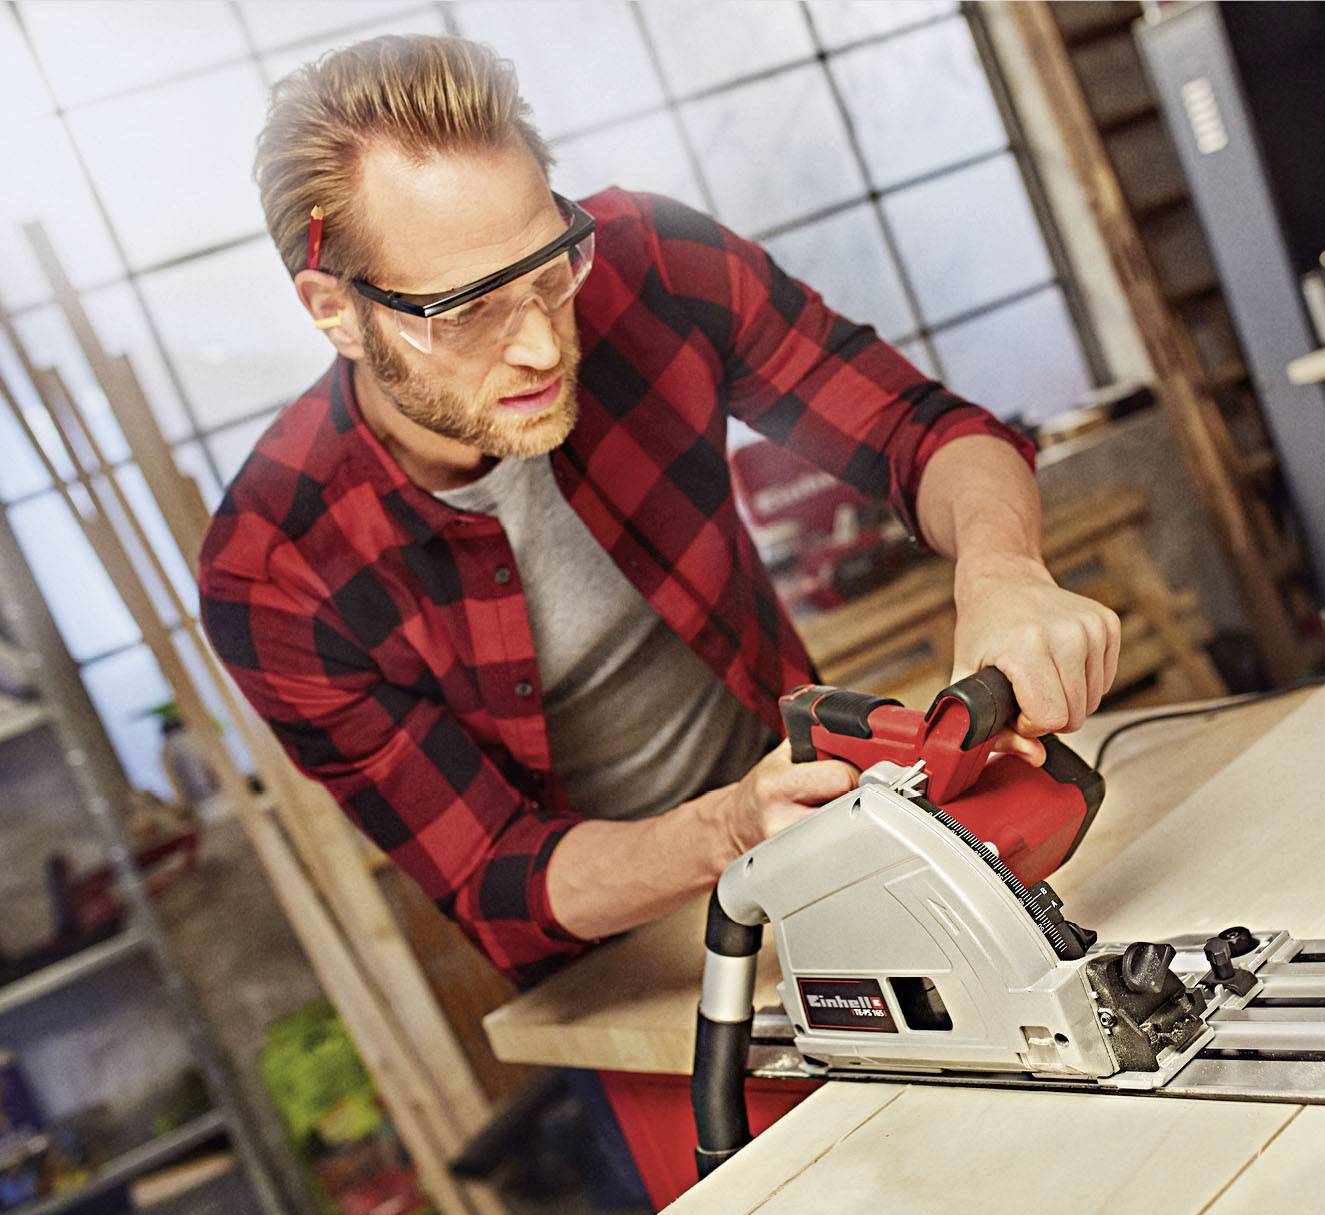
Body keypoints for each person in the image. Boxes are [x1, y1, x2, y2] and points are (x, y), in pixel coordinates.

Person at [200, 35, 1120, 986]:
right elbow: (495, 877)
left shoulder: (654, 265)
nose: (540, 347)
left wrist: (1004, 571)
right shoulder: (276, 568)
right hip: (619, 955)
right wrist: (731, 824)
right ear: (334, 310)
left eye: (550, 269)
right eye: (466, 310)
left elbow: (919, 430)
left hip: (822, 855)